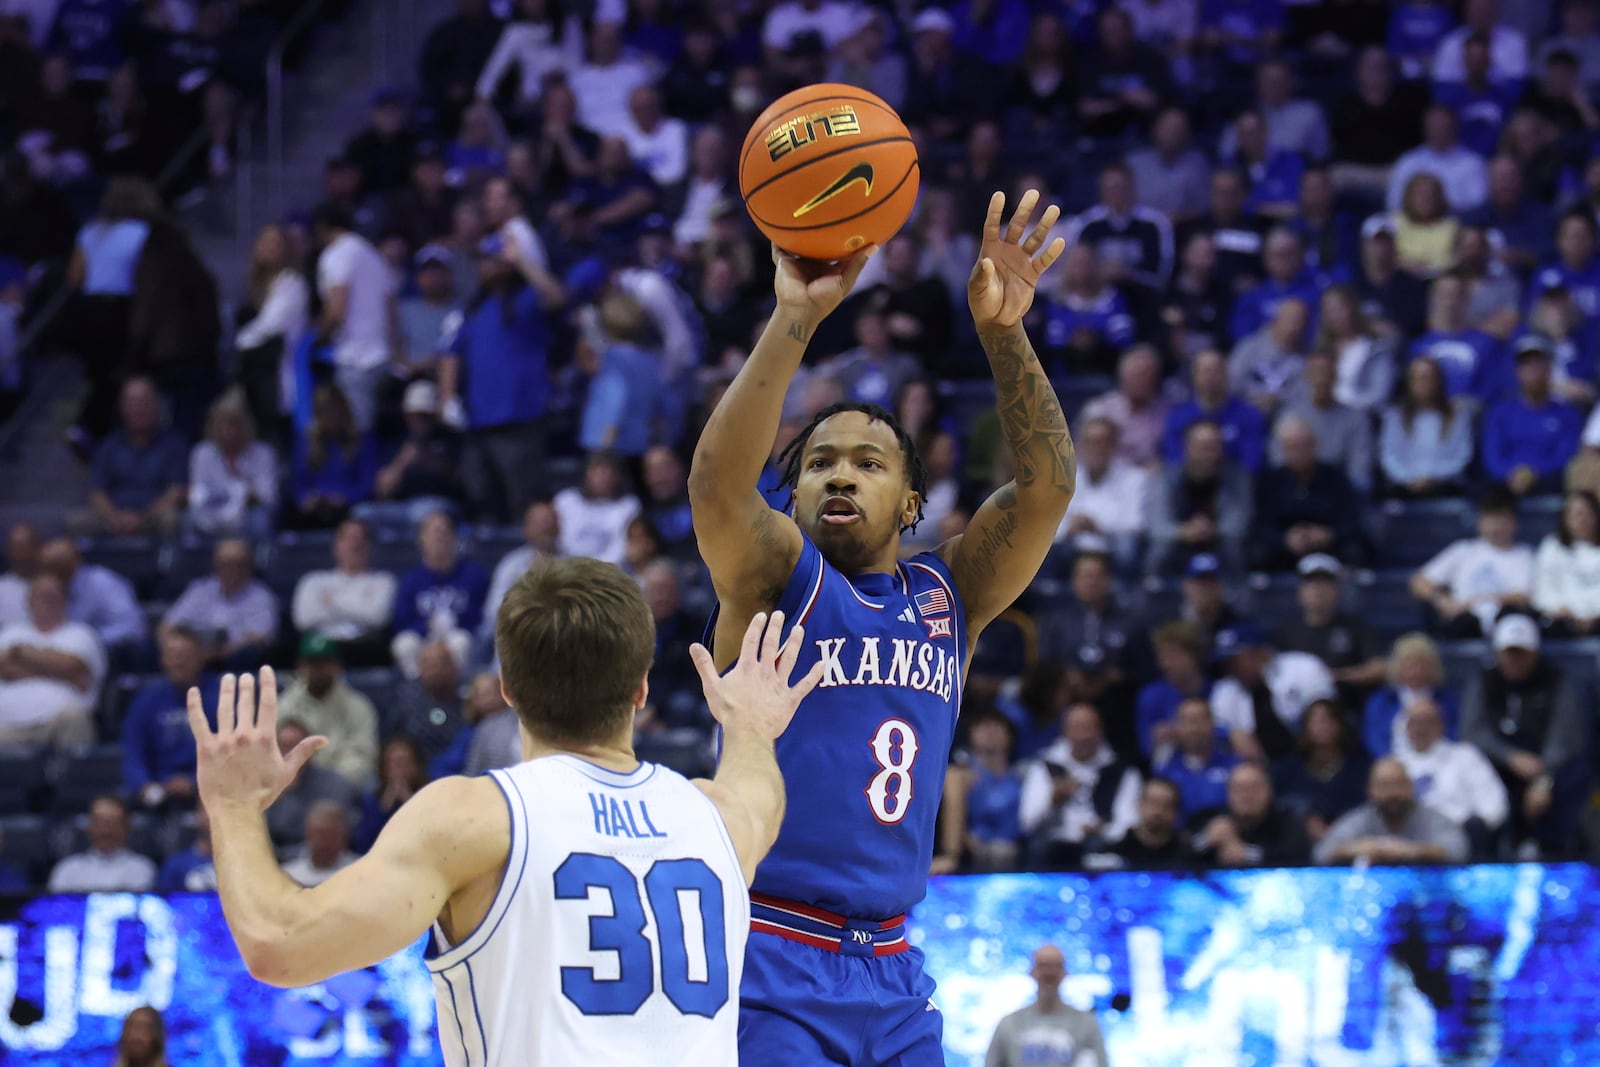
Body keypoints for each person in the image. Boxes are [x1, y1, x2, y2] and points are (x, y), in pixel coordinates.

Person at [688, 190, 1075, 1065]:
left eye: (867, 462)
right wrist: (793, 320)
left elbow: (1047, 490)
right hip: (771, 957)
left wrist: (1005, 332)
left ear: (908, 501)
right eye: (819, 461)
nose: (839, 475)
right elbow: (715, 488)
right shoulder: (773, 576)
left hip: (896, 968)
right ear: (793, 493)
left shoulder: (950, 592)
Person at [188, 561, 821, 1064]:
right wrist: (752, 728)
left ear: (508, 689)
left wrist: (234, 806)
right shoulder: (717, 816)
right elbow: (758, 793)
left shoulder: (472, 820)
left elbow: (278, 946)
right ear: (641, 688)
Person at [1460, 613, 1587, 856]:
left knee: (1576, 773)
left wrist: (1543, 778)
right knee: (1473, 773)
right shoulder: (1483, 682)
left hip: (1547, 766)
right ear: (1498, 654)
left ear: (1536, 653)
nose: (1514, 660)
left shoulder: (1558, 681)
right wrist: (1510, 757)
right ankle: (1489, 857)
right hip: (1499, 765)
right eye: (1509, 653)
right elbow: (1473, 732)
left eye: (1521, 653)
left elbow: (1565, 735)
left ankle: (1556, 853)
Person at [1018, 703, 1142, 869]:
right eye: (1077, 728)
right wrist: (1053, 801)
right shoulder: (1044, 767)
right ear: (1065, 733)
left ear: (1100, 732)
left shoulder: (1123, 771)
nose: (1084, 736)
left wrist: (1104, 830)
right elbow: (1028, 824)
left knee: (1105, 852)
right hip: (1054, 844)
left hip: (1102, 843)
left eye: (1089, 728)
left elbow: (1129, 821)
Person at [1410, 488, 1534, 636]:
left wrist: (1478, 601)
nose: (1495, 528)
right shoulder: (1463, 550)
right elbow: (1419, 582)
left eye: (1501, 521)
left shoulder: (1526, 555)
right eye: (1490, 521)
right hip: (1463, 621)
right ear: (1480, 522)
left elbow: (1524, 597)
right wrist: (1442, 601)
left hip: (1505, 627)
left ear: (1514, 523)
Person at [1395, 697, 1508, 858]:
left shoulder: (1465, 756)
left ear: (1441, 725)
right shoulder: (1395, 764)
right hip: (1410, 845)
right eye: (1414, 722)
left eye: (1427, 721)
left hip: (1462, 840)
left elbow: (1494, 806)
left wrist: (1467, 833)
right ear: (1405, 727)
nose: (1420, 728)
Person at [0, 574, 103, 748]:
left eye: (52, 597)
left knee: (75, 717)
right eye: (40, 596)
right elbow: (4, 666)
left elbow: (71, 667)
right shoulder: (11, 632)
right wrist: (55, 670)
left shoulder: (81, 633)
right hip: (7, 722)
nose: (45, 602)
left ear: (64, 602)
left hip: (61, 719)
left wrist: (20, 652)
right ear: (29, 602)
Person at [123, 626, 218, 809]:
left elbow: (232, 753)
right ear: (162, 660)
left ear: (202, 657)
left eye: (186, 655)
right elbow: (133, 752)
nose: (179, 662)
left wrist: (194, 781)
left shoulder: (222, 696)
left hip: (211, 789)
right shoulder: (146, 700)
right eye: (173, 655)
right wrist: (144, 785)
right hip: (157, 789)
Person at [1314, 758, 1470, 865]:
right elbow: (1321, 853)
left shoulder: (1432, 818)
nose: (1392, 793)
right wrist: (1358, 849)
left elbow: (1459, 850)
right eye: (1384, 785)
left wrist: (1412, 851)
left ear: (1410, 787)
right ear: (1371, 790)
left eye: (1399, 784)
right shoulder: (1360, 818)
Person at [390, 510, 488, 677]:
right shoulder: (411, 579)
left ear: (454, 537)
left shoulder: (473, 574)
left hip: (458, 633)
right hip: (423, 637)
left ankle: (458, 689)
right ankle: (416, 692)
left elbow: (482, 613)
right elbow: (401, 620)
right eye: (433, 532)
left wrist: (456, 620)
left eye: (444, 532)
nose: (439, 537)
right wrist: (425, 626)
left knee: (461, 642)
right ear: (422, 539)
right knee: (404, 644)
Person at [275, 633, 380, 789]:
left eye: (323, 663)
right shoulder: (284, 705)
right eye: (312, 664)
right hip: (293, 785)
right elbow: (272, 755)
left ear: (336, 666)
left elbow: (363, 758)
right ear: (301, 666)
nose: (318, 670)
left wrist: (327, 781)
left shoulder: (358, 707)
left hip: (341, 785)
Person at [159, 538, 278, 669]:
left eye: (237, 563)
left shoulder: (261, 596)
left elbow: (260, 638)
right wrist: (175, 650)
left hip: (232, 660)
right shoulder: (200, 589)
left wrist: (216, 653)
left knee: (247, 654)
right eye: (224, 563)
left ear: (249, 565)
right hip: (194, 657)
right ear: (215, 564)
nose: (230, 569)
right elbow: (167, 625)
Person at [290, 518, 397, 662]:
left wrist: (332, 601)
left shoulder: (383, 581)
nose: (355, 545)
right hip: (321, 649)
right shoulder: (313, 581)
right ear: (336, 545)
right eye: (349, 539)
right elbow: (303, 620)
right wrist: (360, 608)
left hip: (366, 648)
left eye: (360, 539)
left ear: (369, 546)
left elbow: (378, 617)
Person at [983, 944, 1108, 1067]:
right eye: (1043, 965)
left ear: (1064, 973)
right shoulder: (1009, 1024)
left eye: (1056, 966)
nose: (1049, 973)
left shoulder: (1087, 1024)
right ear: (1032, 972)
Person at [186, 387, 278, 539]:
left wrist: (240, 497)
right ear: (213, 425)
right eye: (224, 423)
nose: (229, 430)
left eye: (235, 423)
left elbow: (268, 497)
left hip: (247, 518)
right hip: (211, 513)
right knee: (188, 520)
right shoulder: (202, 453)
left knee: (259, 519)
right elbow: (199, 494)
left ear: (247, 424)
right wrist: (235, 494)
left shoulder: (263, 453)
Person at [1379, 356, 1475, 497]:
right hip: (1405, 487)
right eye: (1418, 378)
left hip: (1446, 486)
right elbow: (1390, 457)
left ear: (1439, 381)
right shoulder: (1395, 417)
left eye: (1429, 378)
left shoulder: (1457, 415)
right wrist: (1410, 479)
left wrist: (1432, 478)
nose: (1424, 384)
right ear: (1409, 383)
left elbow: (1462, 455)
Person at [1193, 762, 1311, 867]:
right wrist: (1207, 839)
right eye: (1239, 789)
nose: (1247, 795)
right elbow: (1182, 851)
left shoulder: (1287, 822)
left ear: (1269, 792)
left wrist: (1246, 854)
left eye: (1254, 788)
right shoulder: (1211, 818)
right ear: (1228, 794)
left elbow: (1298, 853)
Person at [1363, 633, 1462, 758]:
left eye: (1423, 666)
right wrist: (1395, 763)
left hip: (1439, 763)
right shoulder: (1382, 700)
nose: (1417, 671)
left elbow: (1454, 736)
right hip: (1394, 766)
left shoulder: (1449, 699)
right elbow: (1374, 739)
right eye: (1410, 666)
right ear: (1397, 667)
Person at [47, 794, 157, 893]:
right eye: (99, 822)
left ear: (127, 827)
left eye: (113, 823)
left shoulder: (141, 869)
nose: (106, 831)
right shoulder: (67, 869)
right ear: (88, 827)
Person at [1532, 489, 1600, 635]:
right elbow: (1542, 591)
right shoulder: (1551, 547)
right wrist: (1565, 610)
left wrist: (1592, 615)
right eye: (1576, 514)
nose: (1583, 520)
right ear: (1565, 519)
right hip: (1562, 619)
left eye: (1588, 514)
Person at [1102, 776, 1194, 869]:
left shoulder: (1189, 855)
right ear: (1139, 805)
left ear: (1175, 811)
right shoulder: (1114, 852)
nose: (1158, 811)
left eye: (1166, 805)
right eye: (1152, 803)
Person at [281, 799, 359, 887]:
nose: (325, 842)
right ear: (308, 834)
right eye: (319, 834)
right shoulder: (287, 876)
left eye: (331, 834)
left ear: (344, 835)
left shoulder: (362, 873)